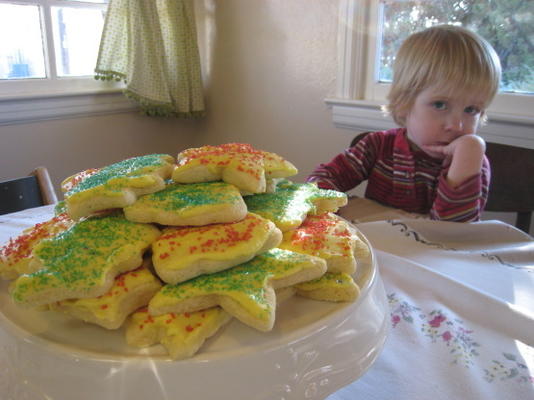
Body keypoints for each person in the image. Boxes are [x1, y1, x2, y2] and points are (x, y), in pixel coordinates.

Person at [307, 25, 501, 222]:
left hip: (430, 251)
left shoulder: (470, 161)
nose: (457, 125)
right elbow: (322, 179)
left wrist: (468, 157)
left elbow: (454, 234)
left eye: (471, 110)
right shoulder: (378, 146)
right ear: (404, 103)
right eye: (440, 104)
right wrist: (329, 214)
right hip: (379, 247)